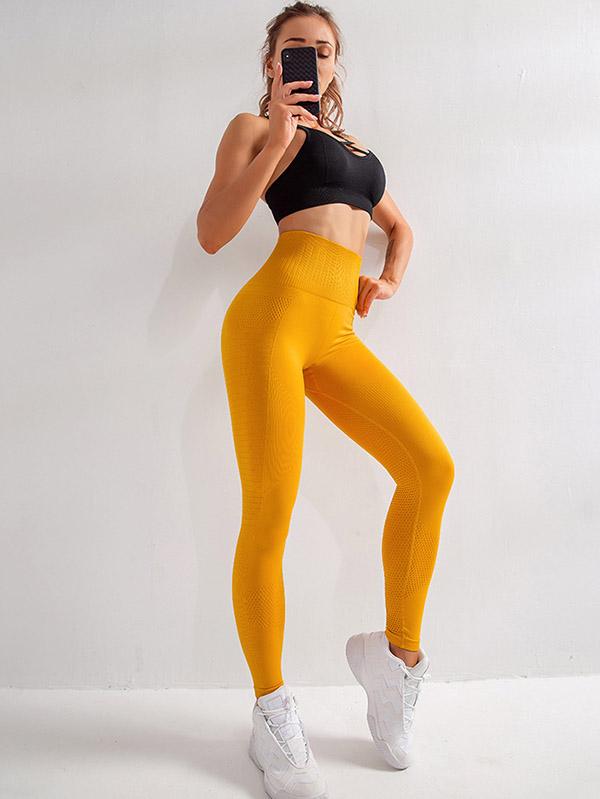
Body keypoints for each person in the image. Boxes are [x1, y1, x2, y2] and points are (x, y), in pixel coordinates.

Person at [197, 4, 455, 797]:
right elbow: (212, 230)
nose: (312, 58)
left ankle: (394, 658)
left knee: (430, 468)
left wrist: (389, 278)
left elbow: (399, 228)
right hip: (270, 321)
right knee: (270, 511)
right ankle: (272, 711)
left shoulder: (359, 150)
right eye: (295, 48)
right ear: (273, 62)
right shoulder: (253, 127)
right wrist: (279, 137)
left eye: (324, 49)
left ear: (336, 64)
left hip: (335, 332)